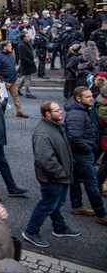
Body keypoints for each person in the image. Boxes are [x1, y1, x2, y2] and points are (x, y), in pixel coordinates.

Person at [22, 100, 79, 248]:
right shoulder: (43, 133)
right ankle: (31, 231)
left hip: (60, 176)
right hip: (53, 177)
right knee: (47, 204)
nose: (61, 112)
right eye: (57, 110)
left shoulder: (54, 126)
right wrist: (62, 173)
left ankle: (59, 227)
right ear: (48, 114)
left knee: (55, 203)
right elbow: (46, 160)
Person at [64, 86, 107, 225]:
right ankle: (101, 214)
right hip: (81, 153)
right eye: (88, 97)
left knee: (75, 179)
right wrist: (88, 148)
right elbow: (74, 136)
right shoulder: (77, 113)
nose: (92, 99)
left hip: (79, 153)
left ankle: (77, 205)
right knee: (91, 183)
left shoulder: (81, 109)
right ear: (78, 98)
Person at [0, 41, 29, 118]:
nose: (11, 48)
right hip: (5, 81)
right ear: (4, 47)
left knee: (16, 96)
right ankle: (0, 113)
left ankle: (19, 112)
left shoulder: (10, 55)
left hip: (13, 79)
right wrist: (2, 80)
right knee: (3, 98)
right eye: (9, 46)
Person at [17, 32, 37, 99]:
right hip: (26, 64)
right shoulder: (22, 45)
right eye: (28, 36)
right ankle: (28, 93)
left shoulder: (26, 44)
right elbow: (23, 57)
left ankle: (18, 89)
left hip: (27, 64)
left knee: (25, 77)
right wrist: (30, 62)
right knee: (27, 79)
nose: (29, 37)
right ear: (24, 38)